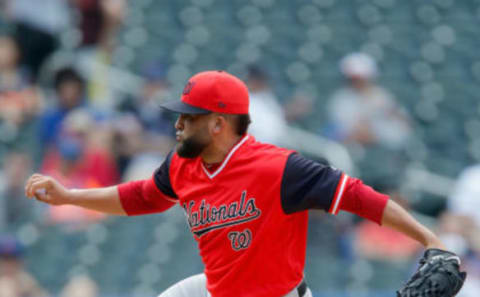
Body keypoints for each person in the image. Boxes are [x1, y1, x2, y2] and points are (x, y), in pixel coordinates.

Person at [25, 71, 459, 297]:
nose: (177, 124)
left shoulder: (279, 168)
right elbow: (140, 197)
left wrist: (429, 237)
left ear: (218, 123)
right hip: (214, 291)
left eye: (188, 116)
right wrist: (68, 195)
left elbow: (361, 198)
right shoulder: (182, 164)